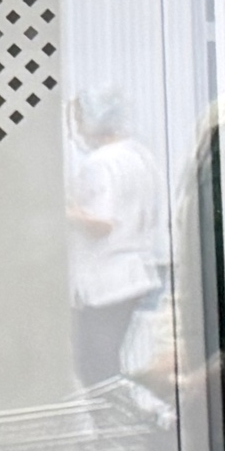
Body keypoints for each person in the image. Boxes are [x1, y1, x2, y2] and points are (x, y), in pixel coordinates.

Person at [63, 86, 168, 390]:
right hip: (133, 275)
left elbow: (102, 224)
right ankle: (123, 414)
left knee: (95, 370)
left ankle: (118, 419)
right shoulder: (139, 155)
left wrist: (61, 210)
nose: (75, 130)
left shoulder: (100, 164)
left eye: (77, 120)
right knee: (106, 366)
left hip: (105, 282)